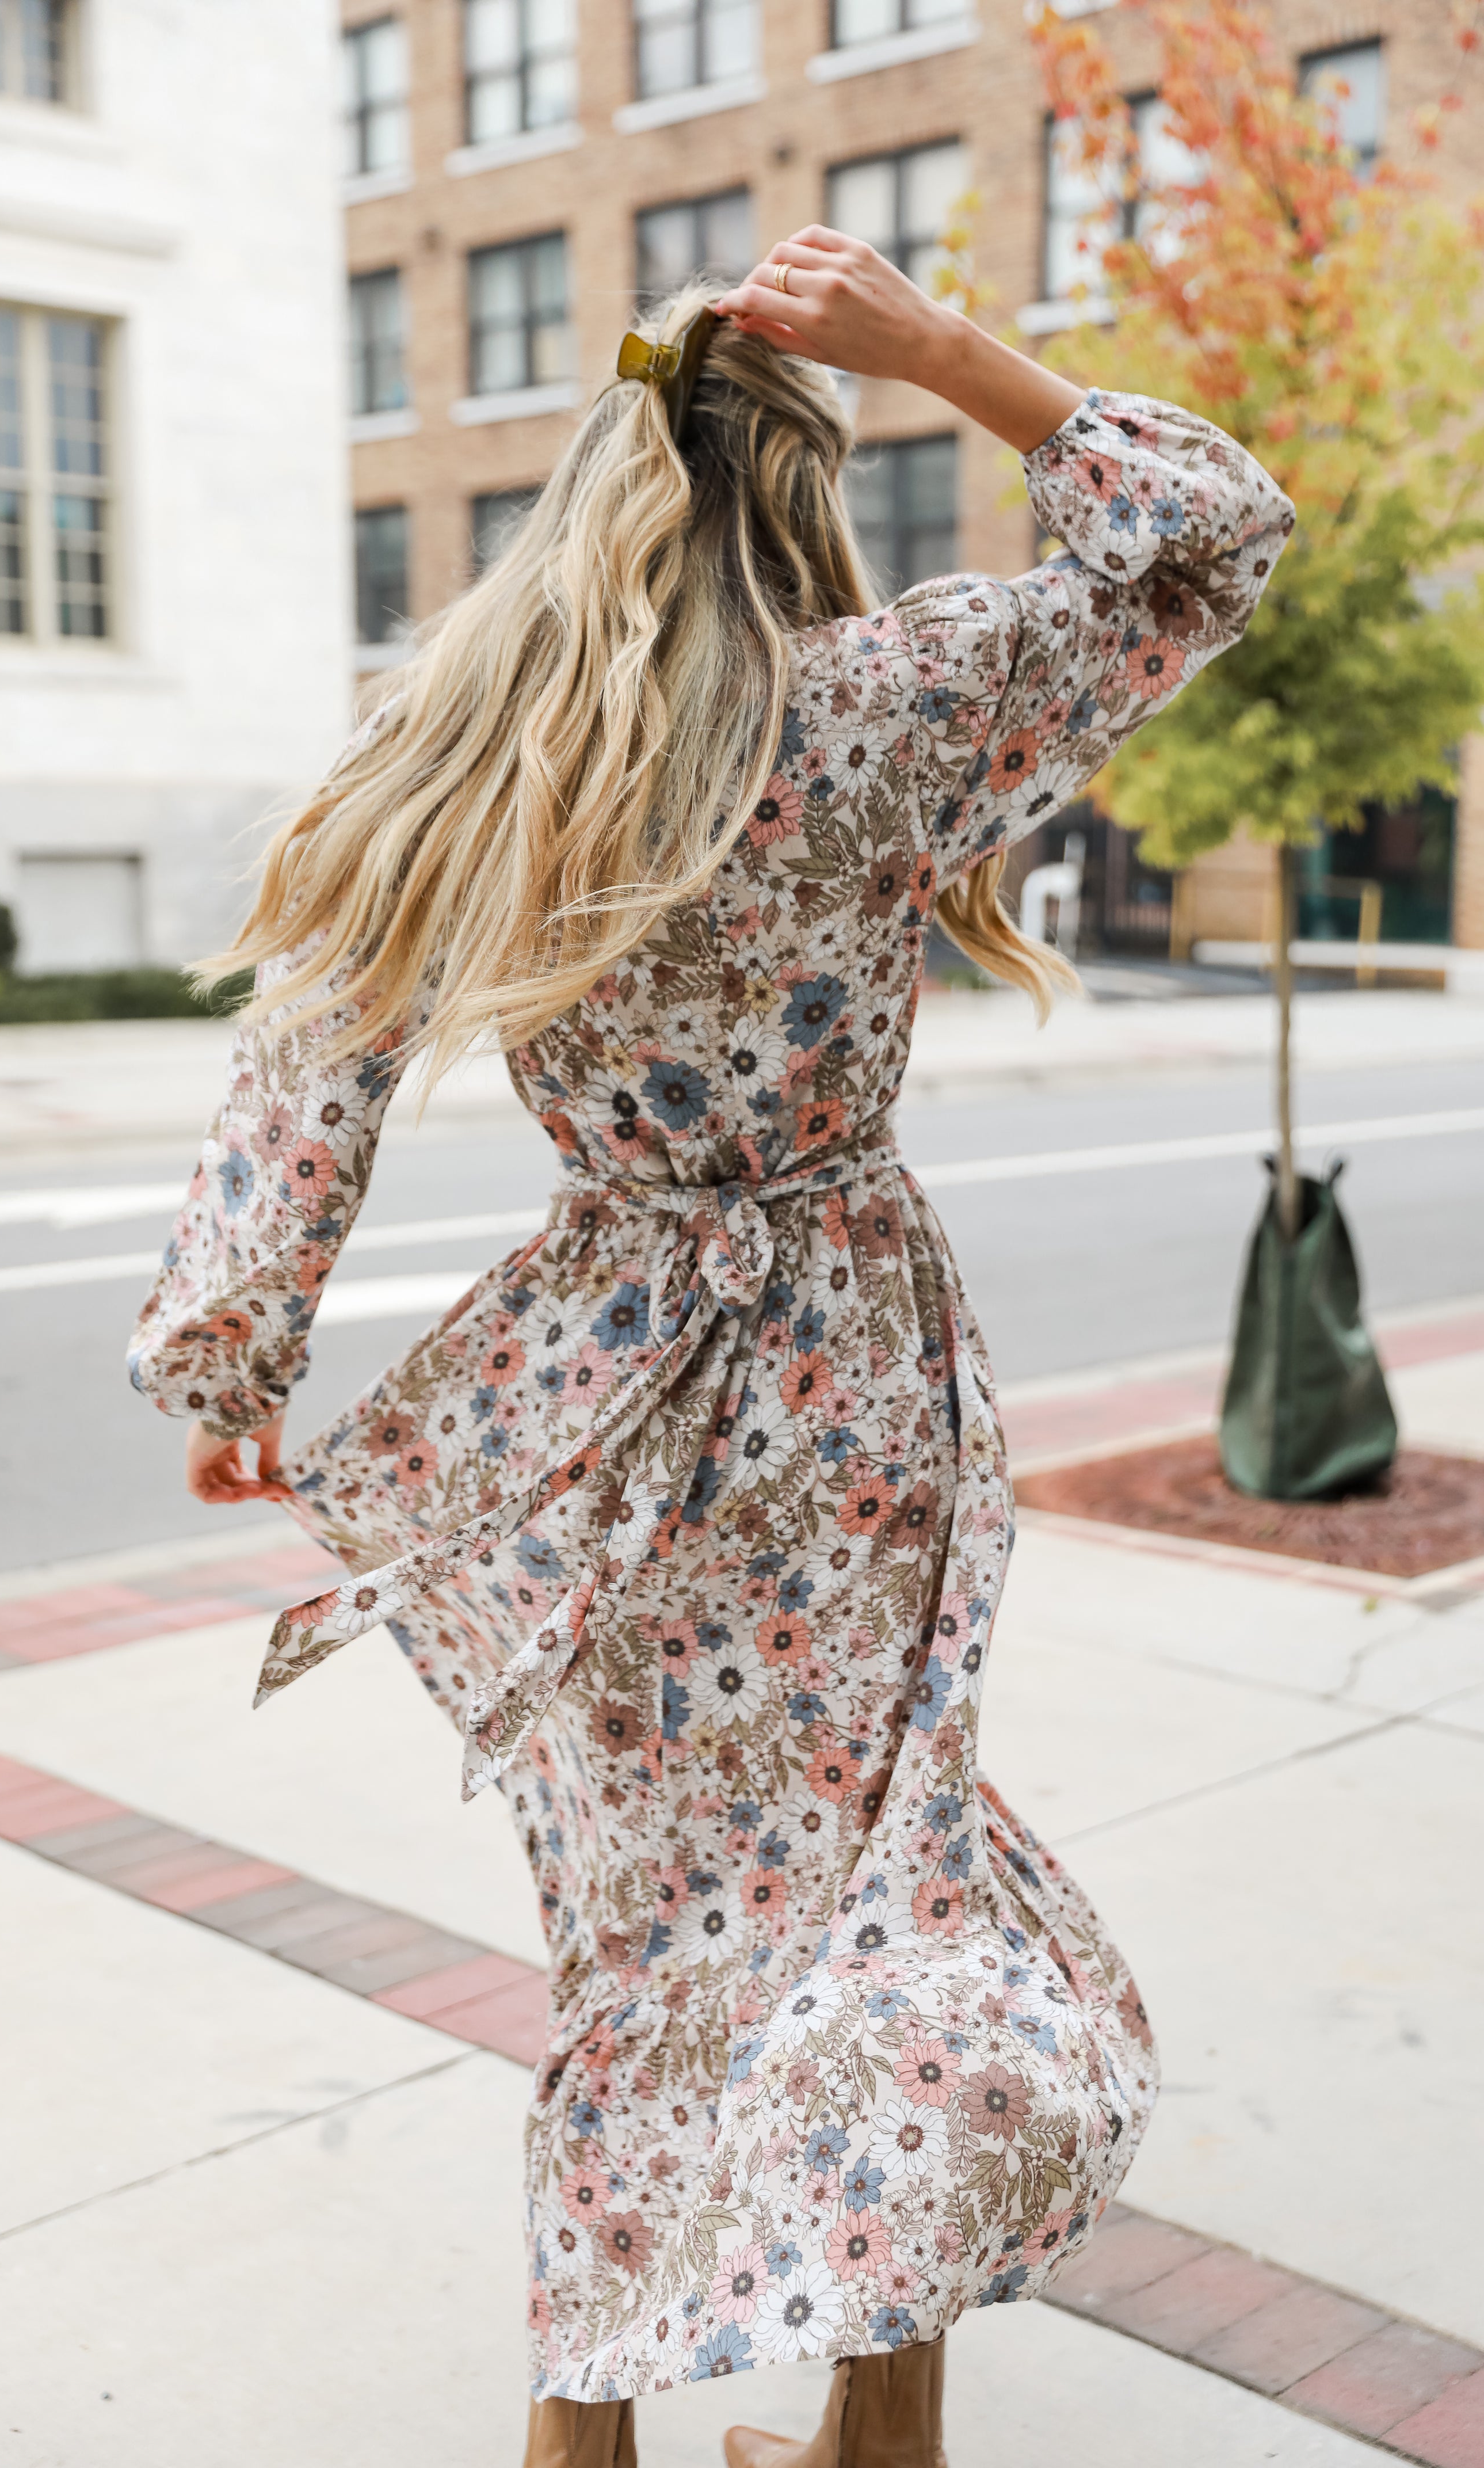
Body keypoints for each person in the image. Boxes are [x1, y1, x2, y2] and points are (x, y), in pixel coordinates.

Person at [129, 228, 1293, 2468]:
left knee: (647, 1928)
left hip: (596, 1382)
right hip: (852, 1364)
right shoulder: (880, 704)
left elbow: (311, 1058)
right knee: (878, 1877)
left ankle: (589, 2438)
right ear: (802, 502)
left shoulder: (482, 740)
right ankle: (877, 2428)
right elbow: (1206, 534)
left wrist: (236, 1359)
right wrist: (945, 350)